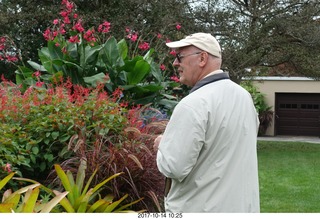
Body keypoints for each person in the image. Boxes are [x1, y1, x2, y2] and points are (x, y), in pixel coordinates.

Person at [153, 33, 260, 213]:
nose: (175, 63)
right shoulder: (244, 97)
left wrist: (162, 145)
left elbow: (174, 167)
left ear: (202, 58)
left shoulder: (193, 104)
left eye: (180, 57)